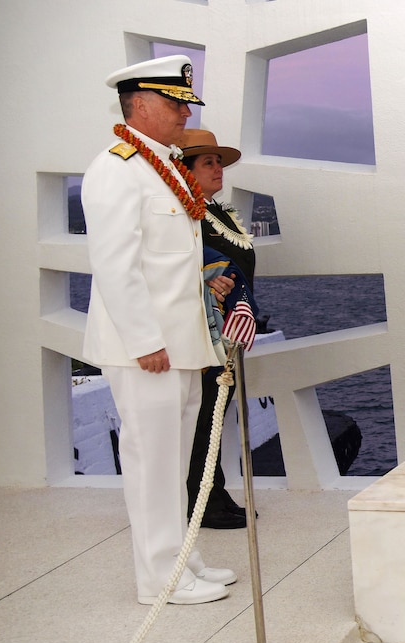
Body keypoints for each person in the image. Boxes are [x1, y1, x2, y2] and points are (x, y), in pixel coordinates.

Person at [82, 55, 236, 605]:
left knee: (174, 460)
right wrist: (146, 341)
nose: (183, 116)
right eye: (174, 105)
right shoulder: (116, 168)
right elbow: (116, 265)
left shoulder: (163, 166)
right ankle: (158, 580)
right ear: (140, 105)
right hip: (146, 348)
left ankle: (183, 558)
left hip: (180, 343)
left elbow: (173, 261)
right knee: (151, 463)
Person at [181, 129, 258, 529]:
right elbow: (188, 258)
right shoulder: (187, 215)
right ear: (185, 170)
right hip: (205, 329)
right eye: (208, 162)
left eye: (219, 161)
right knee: (204, 415)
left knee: (215, 412)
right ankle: (202, 501)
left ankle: (215, 491)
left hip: (226, 329)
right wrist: (213, 275)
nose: (218, 169)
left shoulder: (216, 212)